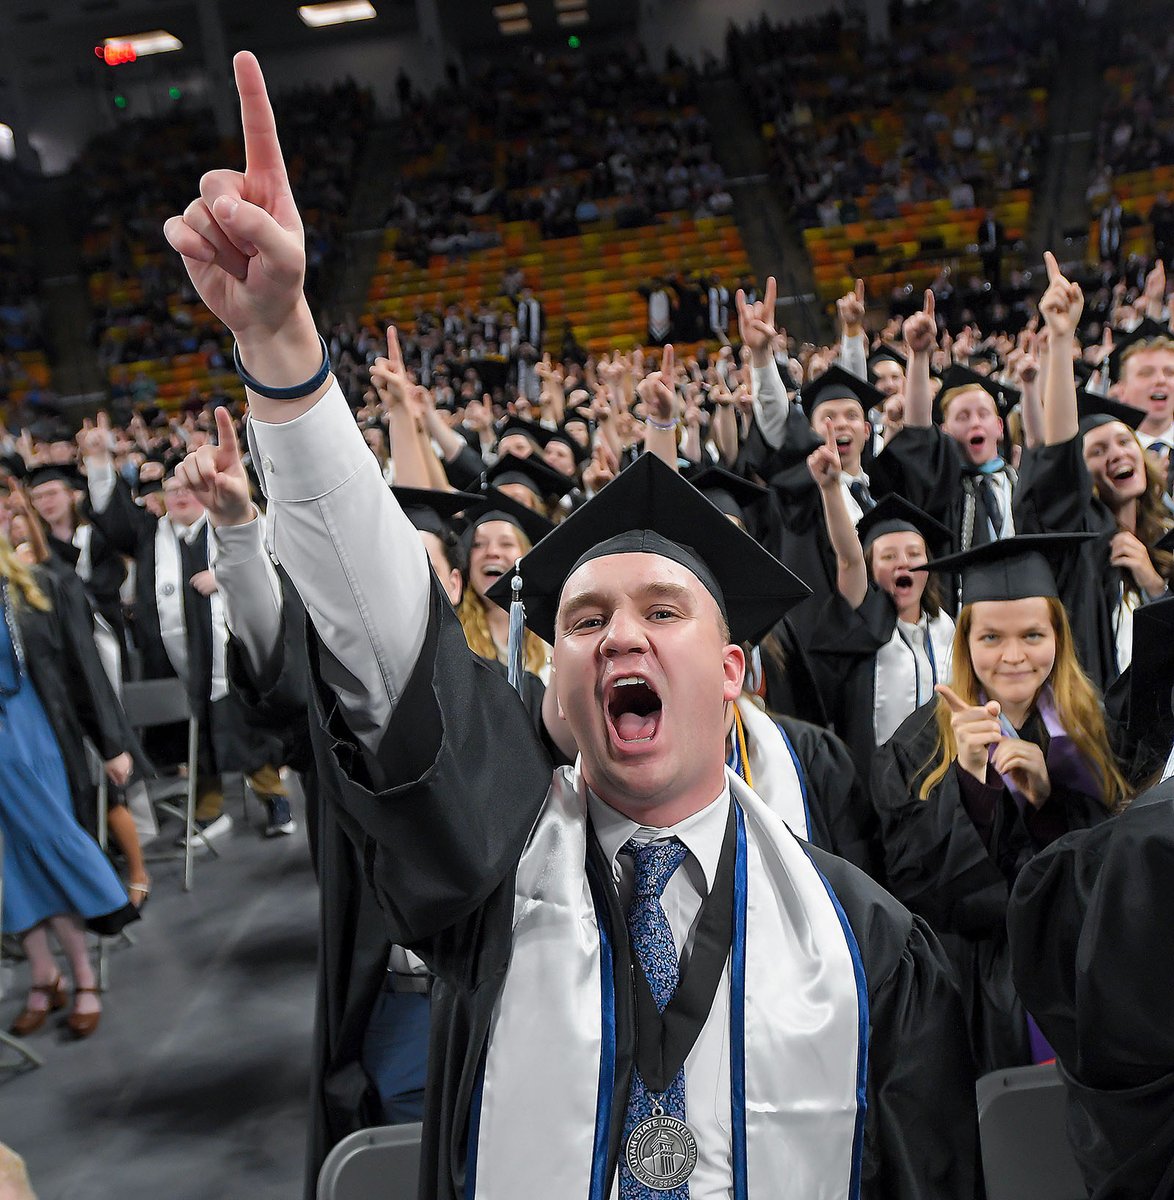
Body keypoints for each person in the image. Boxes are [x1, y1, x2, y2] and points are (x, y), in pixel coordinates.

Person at [166, 53, 979, 1198]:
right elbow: (392, 650)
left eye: (663, 610)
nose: (620, 636)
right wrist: (286, 357)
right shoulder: (492, 879)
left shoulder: (872, 945)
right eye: (586, 619)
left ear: (736, 669)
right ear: (555, 687)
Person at [871, 533, 1129, 1075]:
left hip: (1085, 980)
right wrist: (972, 784)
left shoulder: (1093, 730)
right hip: (977, 1002)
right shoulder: (915, 749)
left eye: (1033, 634)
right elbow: (917, 891)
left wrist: (1046, 802)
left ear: (1059, 636)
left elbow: (1119, 872)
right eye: (991, 637)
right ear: (965, 642)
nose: (1013, 657)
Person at [0, 531, 139, 1041]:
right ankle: (44, 975)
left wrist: (111, 743)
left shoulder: (41, 587)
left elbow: (84, 670)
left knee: (47, 842)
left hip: (35, 735)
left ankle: (82, 974)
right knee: (10, 859)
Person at [1015, 252, 1173, 686]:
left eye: (1124, 441)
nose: (1117, 453)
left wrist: (1154, 585)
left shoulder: (1162, 538)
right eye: (1097, 450)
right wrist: (1062, 339)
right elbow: (1060, 448)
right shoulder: (1082, 534)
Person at [807, 459, 956, 791]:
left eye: (914, 553)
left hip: (944, 783)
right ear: (872, 569)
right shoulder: (865, 624)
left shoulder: (948, 629)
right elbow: (848, 558)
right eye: (888, 556)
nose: (903, 561)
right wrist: (831, 488)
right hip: (875, 787)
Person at [871, 291, 1018, 559]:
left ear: (999, 426)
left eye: (983, 414)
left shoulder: (1020, 485)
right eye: (962, 417)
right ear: (945, 431)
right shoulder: (946, 490)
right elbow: (919, 435)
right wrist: (918, 356)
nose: (975, 422)